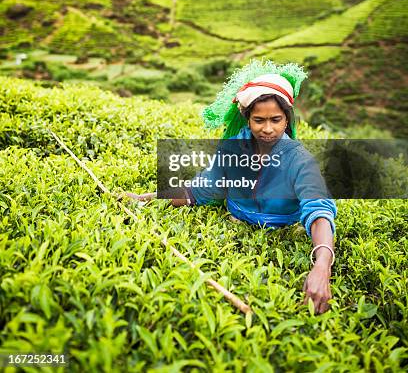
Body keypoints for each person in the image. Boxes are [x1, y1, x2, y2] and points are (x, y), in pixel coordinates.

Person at [127, 61, 337, 315]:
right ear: (247, 119)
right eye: (259, 120)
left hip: (282, 231)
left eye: (276, 119)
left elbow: (318, 210)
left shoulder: (299, 159)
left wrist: (322, 266)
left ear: (287, 120)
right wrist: (146, 198)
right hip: (235, 223)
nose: (267, 128)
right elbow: (204, 188)